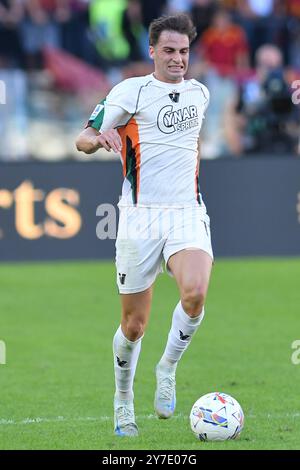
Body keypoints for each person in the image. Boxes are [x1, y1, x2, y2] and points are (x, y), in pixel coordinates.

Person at [76, 13, 213, 437]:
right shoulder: (130, 91)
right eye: (169, 50)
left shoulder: (200, 94)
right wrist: (100, 138)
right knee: (134, 325)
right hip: (138, 216)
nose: (177, 59)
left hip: (186, 211)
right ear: (151, 50)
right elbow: (83, 136)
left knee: (195, 293)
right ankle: (123, 401)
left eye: (184, 51)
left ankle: (167, 367)